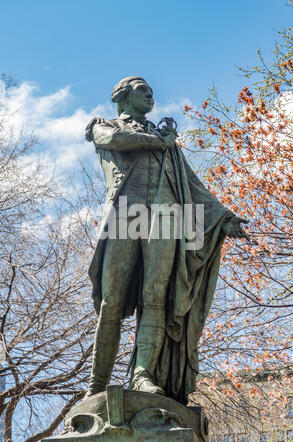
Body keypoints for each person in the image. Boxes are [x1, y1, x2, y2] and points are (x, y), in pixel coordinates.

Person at [85, 76, 249, 404]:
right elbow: (114, 140)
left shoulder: (166, 144)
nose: (150, 97)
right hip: (125, 216)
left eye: (151, 93)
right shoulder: (105, 126)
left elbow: (192, 184)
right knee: (112, 300)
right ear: (123, 97)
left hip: (165, 218)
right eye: (143, 91)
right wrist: (159, 142)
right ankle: (97, 383)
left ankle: (143, 375)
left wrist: (224, 217)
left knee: (155, 298)